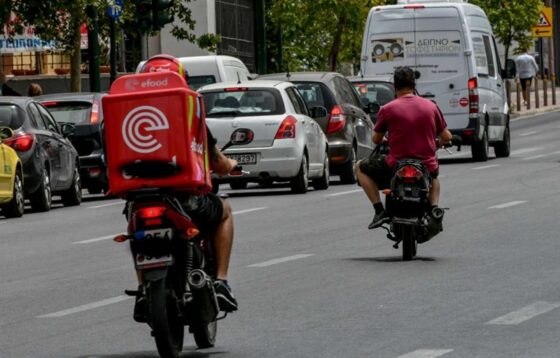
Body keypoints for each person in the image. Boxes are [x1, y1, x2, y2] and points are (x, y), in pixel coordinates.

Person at [135, 54, 239, 318]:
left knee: (137, 233)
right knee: (224, 210)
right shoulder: (189, 113)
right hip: (185, 201)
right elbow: (217, 162)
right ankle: (222, 282)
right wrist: (231, 164)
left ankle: (142, 290)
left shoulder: (129, 115)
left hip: (141, 201)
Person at [356, 66, 452, 229]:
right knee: (434, 177)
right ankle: (434, 208)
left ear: (395, 86)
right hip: (426, 165)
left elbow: (376, 138)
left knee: (359, 167)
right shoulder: (431, 106)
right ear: (414, 85)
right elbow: (447, 136)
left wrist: (386, 138)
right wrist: (440, 142)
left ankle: (379, 210)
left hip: (395, 165)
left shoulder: (387, 109)